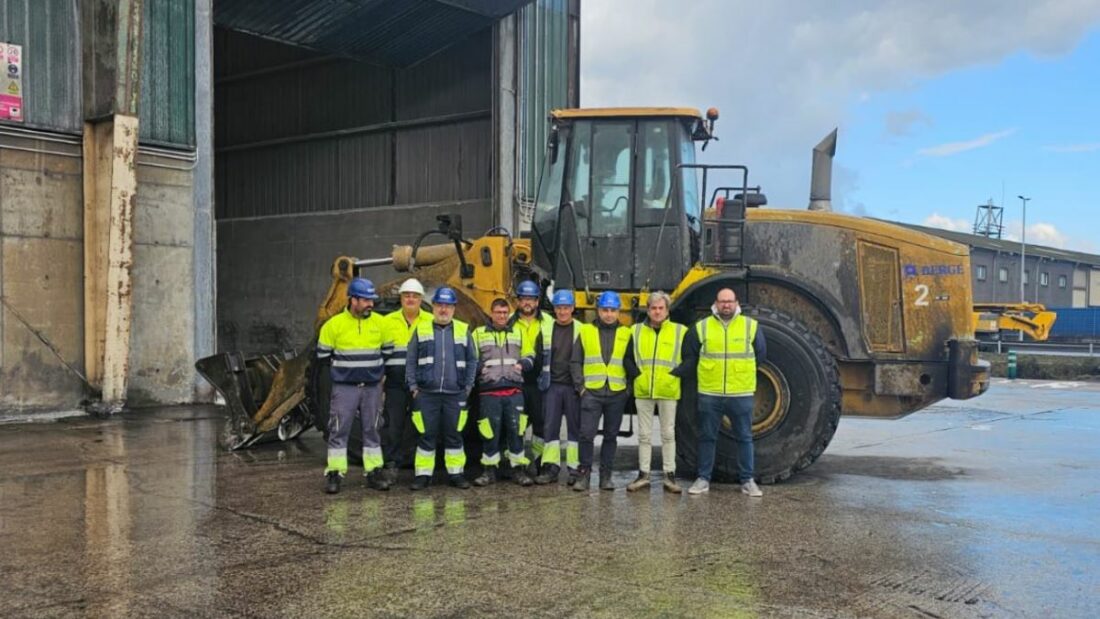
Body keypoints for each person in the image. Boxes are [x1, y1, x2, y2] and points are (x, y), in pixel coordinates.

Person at [682, 288, 766, 497]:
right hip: (710, 392)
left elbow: (760, 355)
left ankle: (747, 481)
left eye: (729, 301)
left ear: (736, 303)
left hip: (741, 393)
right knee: (707, 437)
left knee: (745, 437)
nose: (726, 305)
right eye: (722, 301)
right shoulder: (701, 327)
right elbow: (689, 354)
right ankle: (703, 479)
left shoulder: (750, 326)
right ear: (716, 303)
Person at [317, 277, 391, 494]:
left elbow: (386, 352)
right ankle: (335, 473)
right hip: (345, 388)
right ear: (353, 300)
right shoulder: (333, 325)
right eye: (366, 300)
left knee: (372, 429)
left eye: (372, 300)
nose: (371, 304)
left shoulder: (380, 323)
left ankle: (374, 472)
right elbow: (323, 356)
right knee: (338, 428)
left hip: (372, 388)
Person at [405, 287, 478, 491]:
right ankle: (423, 475)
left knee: (454, 435)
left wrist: (468, 387)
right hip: (426, 394)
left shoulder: (464, 330)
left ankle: (456, 474)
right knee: (426, 434)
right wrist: (413, 387)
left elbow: (473, 360)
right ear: (434, 307)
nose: (443, 309)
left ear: (454, 308)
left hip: (455, 395)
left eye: (447, 305)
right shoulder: (421, 329)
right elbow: (410, 360)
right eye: (439, 305)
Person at [571, 291, 637, 491]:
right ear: (598, 311)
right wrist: (581, 388)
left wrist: (628, 390)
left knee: (610, 436)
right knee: (586, 435)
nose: (608, 314)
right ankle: (584, 475)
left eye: (612, 310)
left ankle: (605, 476)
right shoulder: (585, 331)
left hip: (617, 393)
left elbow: (633, 363)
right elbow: (575, 361)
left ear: (619, 312)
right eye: (604, 310)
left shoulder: (627, 333)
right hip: (591, 392)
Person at [471, 298, 537, 486]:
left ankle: (518, 470)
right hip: (488, 392)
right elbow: (470, 358)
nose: (501, 316)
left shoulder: (519, 332)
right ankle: (489, 471)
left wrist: (522, 365)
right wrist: (479, 368)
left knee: (517, 431)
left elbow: (530, 355)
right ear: (491, 313)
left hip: (514, 390)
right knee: (489, 432)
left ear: (508, 314)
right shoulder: (478, 334)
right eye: (497, 312)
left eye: (504, 313)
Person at [626, 291, 686, 493]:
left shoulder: (680, 331)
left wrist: (676, 374)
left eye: (661, 308)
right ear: (648, 310)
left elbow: (691, 358)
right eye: (653, 308)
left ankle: (670, 476)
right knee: (644, 435)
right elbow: (627, 358)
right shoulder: (635, 331)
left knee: (668, 434)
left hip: (668, 390)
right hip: (643, 390)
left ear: (667, 310)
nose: (657, 312)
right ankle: (644, 475)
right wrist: (637, 375)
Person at [380, 278, 432, 484]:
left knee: (423, 425)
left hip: (421, 384)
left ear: (421, 299)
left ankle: (421, 467)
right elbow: (379, 351)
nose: (411, 299)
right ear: (400, 298)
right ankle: (392, 464)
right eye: (407, 295)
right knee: (394, 425)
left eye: (415, 296)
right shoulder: (387, 321)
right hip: (395, 383)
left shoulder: (430, 321)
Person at [533, 289, 583, 486]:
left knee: (574, 429)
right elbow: (538, 357)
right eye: (559, 308)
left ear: (572, 308)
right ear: (554, 309)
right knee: (550, 428)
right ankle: (551, 467)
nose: (562, 312)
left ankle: (574, 468)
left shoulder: (581, 329)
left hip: (573, 387)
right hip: (551, 385)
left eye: (566, 308)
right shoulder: (545, 329)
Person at [509, 280, 555, 470]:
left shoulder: (549, 323)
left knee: (540, 425)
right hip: (517, 382)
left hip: (539, 383)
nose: (527, 303)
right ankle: (516, 466)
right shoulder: (508, 322)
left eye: (531, 299)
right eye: (524, 299)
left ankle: (540, 462)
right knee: (517, 426)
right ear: (518, 301)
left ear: (537, 301)